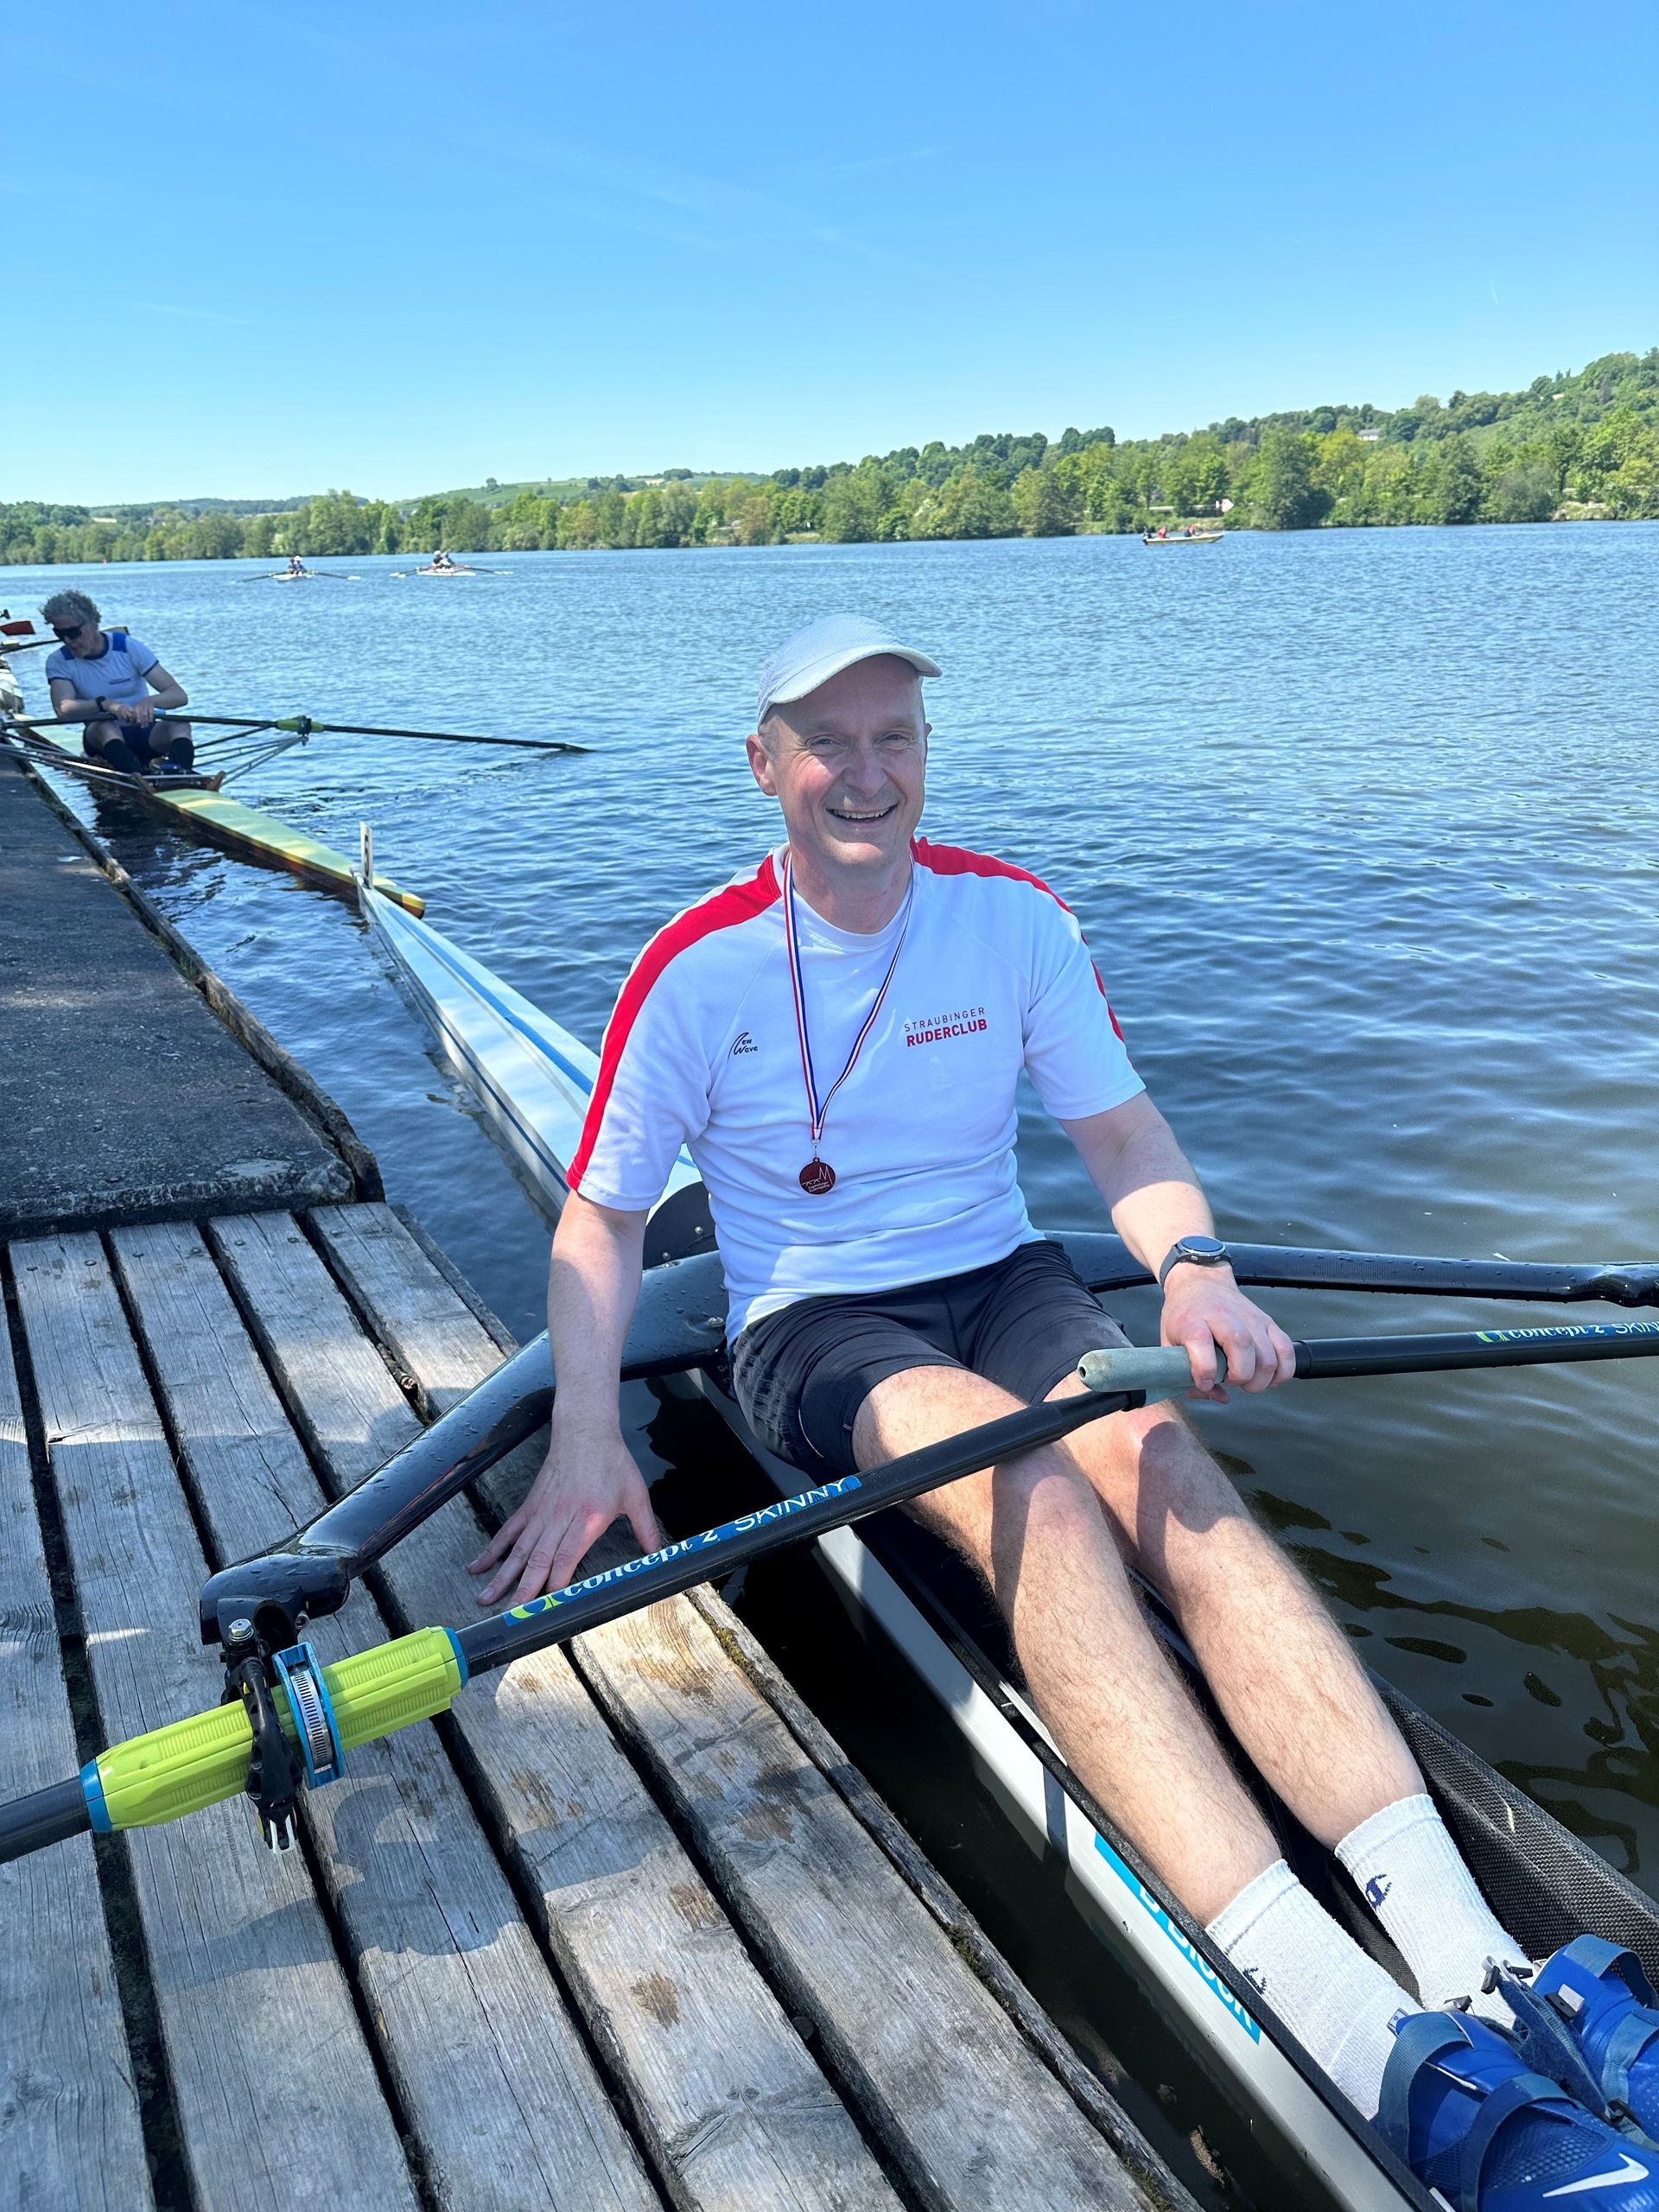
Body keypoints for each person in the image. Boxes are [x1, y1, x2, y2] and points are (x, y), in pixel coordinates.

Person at [471, 614, 1659, 2208]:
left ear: (925, 755)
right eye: (829, 744)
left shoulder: (1014, 919)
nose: (867, 775)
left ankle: (1471, 1954)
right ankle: (1336, 2014)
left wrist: (1196, 1273)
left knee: (1166, 1463)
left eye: (896, 738)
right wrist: (587, 1436)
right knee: (1028, 1488)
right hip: (815, 1323)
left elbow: (1122, 1141)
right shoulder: (697, 968)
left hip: (1010, 1275)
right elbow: (603, 1224)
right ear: (764, 765)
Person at [41, 590, 194, 776]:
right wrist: (105, 705)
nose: (67, 641)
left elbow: (179, 695)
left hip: (144, 733)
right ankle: (139, 780)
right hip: (101, 739)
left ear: (93, 623)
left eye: (73, 633)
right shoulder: (59, 661)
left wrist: (151, 701)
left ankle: (180, 775)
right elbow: (63, 709)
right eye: (59, 633)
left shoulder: (128, 647)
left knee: (180, 724)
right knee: (106, 726)